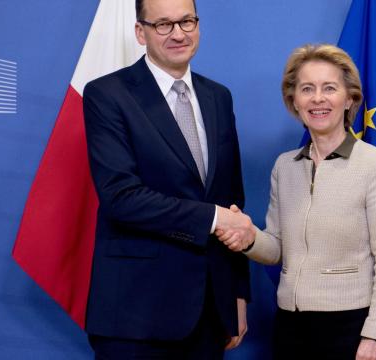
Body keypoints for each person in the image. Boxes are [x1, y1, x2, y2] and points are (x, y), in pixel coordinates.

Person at [82, 0, 255, 358]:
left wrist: (237, 292)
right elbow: (121, 197)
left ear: (198, 25)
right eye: (163, 25)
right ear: (140, 32)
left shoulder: (218, 97)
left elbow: (233, 199)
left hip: (211, 310)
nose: (178, 34)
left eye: (186, 21)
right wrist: (213, 218)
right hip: (135, 314)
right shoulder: (107, 94)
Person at [217, 44, 376, 360]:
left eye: (329, 88)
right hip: (290, 327)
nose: (317, 98)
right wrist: (249, 238)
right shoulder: (284, 166)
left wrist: (375, 338)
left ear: (350, 99)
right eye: (307, 89)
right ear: (294, 101)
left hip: (352, 329)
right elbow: (277, 248)